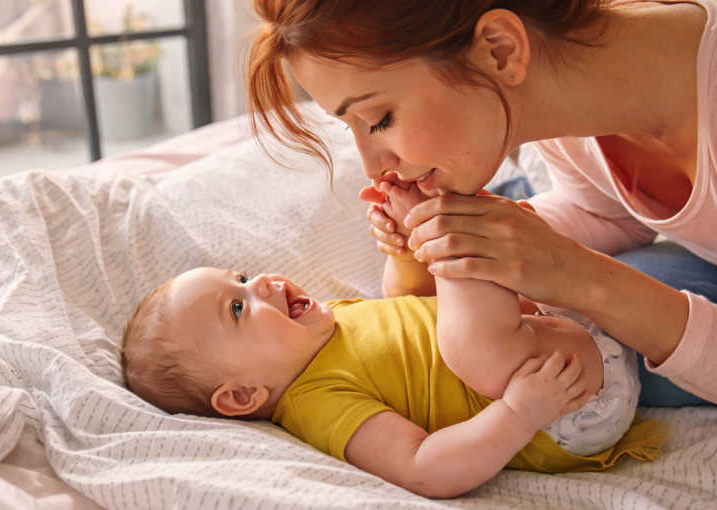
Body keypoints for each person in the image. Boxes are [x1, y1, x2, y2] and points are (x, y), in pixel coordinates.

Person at [246, 0, 717, 406]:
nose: (373, 167)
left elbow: (581, 271)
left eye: (379, 118)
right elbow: (603, 212)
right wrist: (450, 244)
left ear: (500, 49)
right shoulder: (562, 102)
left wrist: (583, 278)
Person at [119, 179, 666, 497]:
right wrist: (520, 413)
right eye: (238, 307)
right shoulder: (317, 403)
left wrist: (404, 253)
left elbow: (410, 304)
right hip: (563, 405)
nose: (259, 282)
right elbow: (424, 468)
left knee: (463, 325)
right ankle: (454, 234)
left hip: (556, 332)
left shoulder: (327, 324)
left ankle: (445, 236)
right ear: (242, 395)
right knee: (474, 349)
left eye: (240, 276)